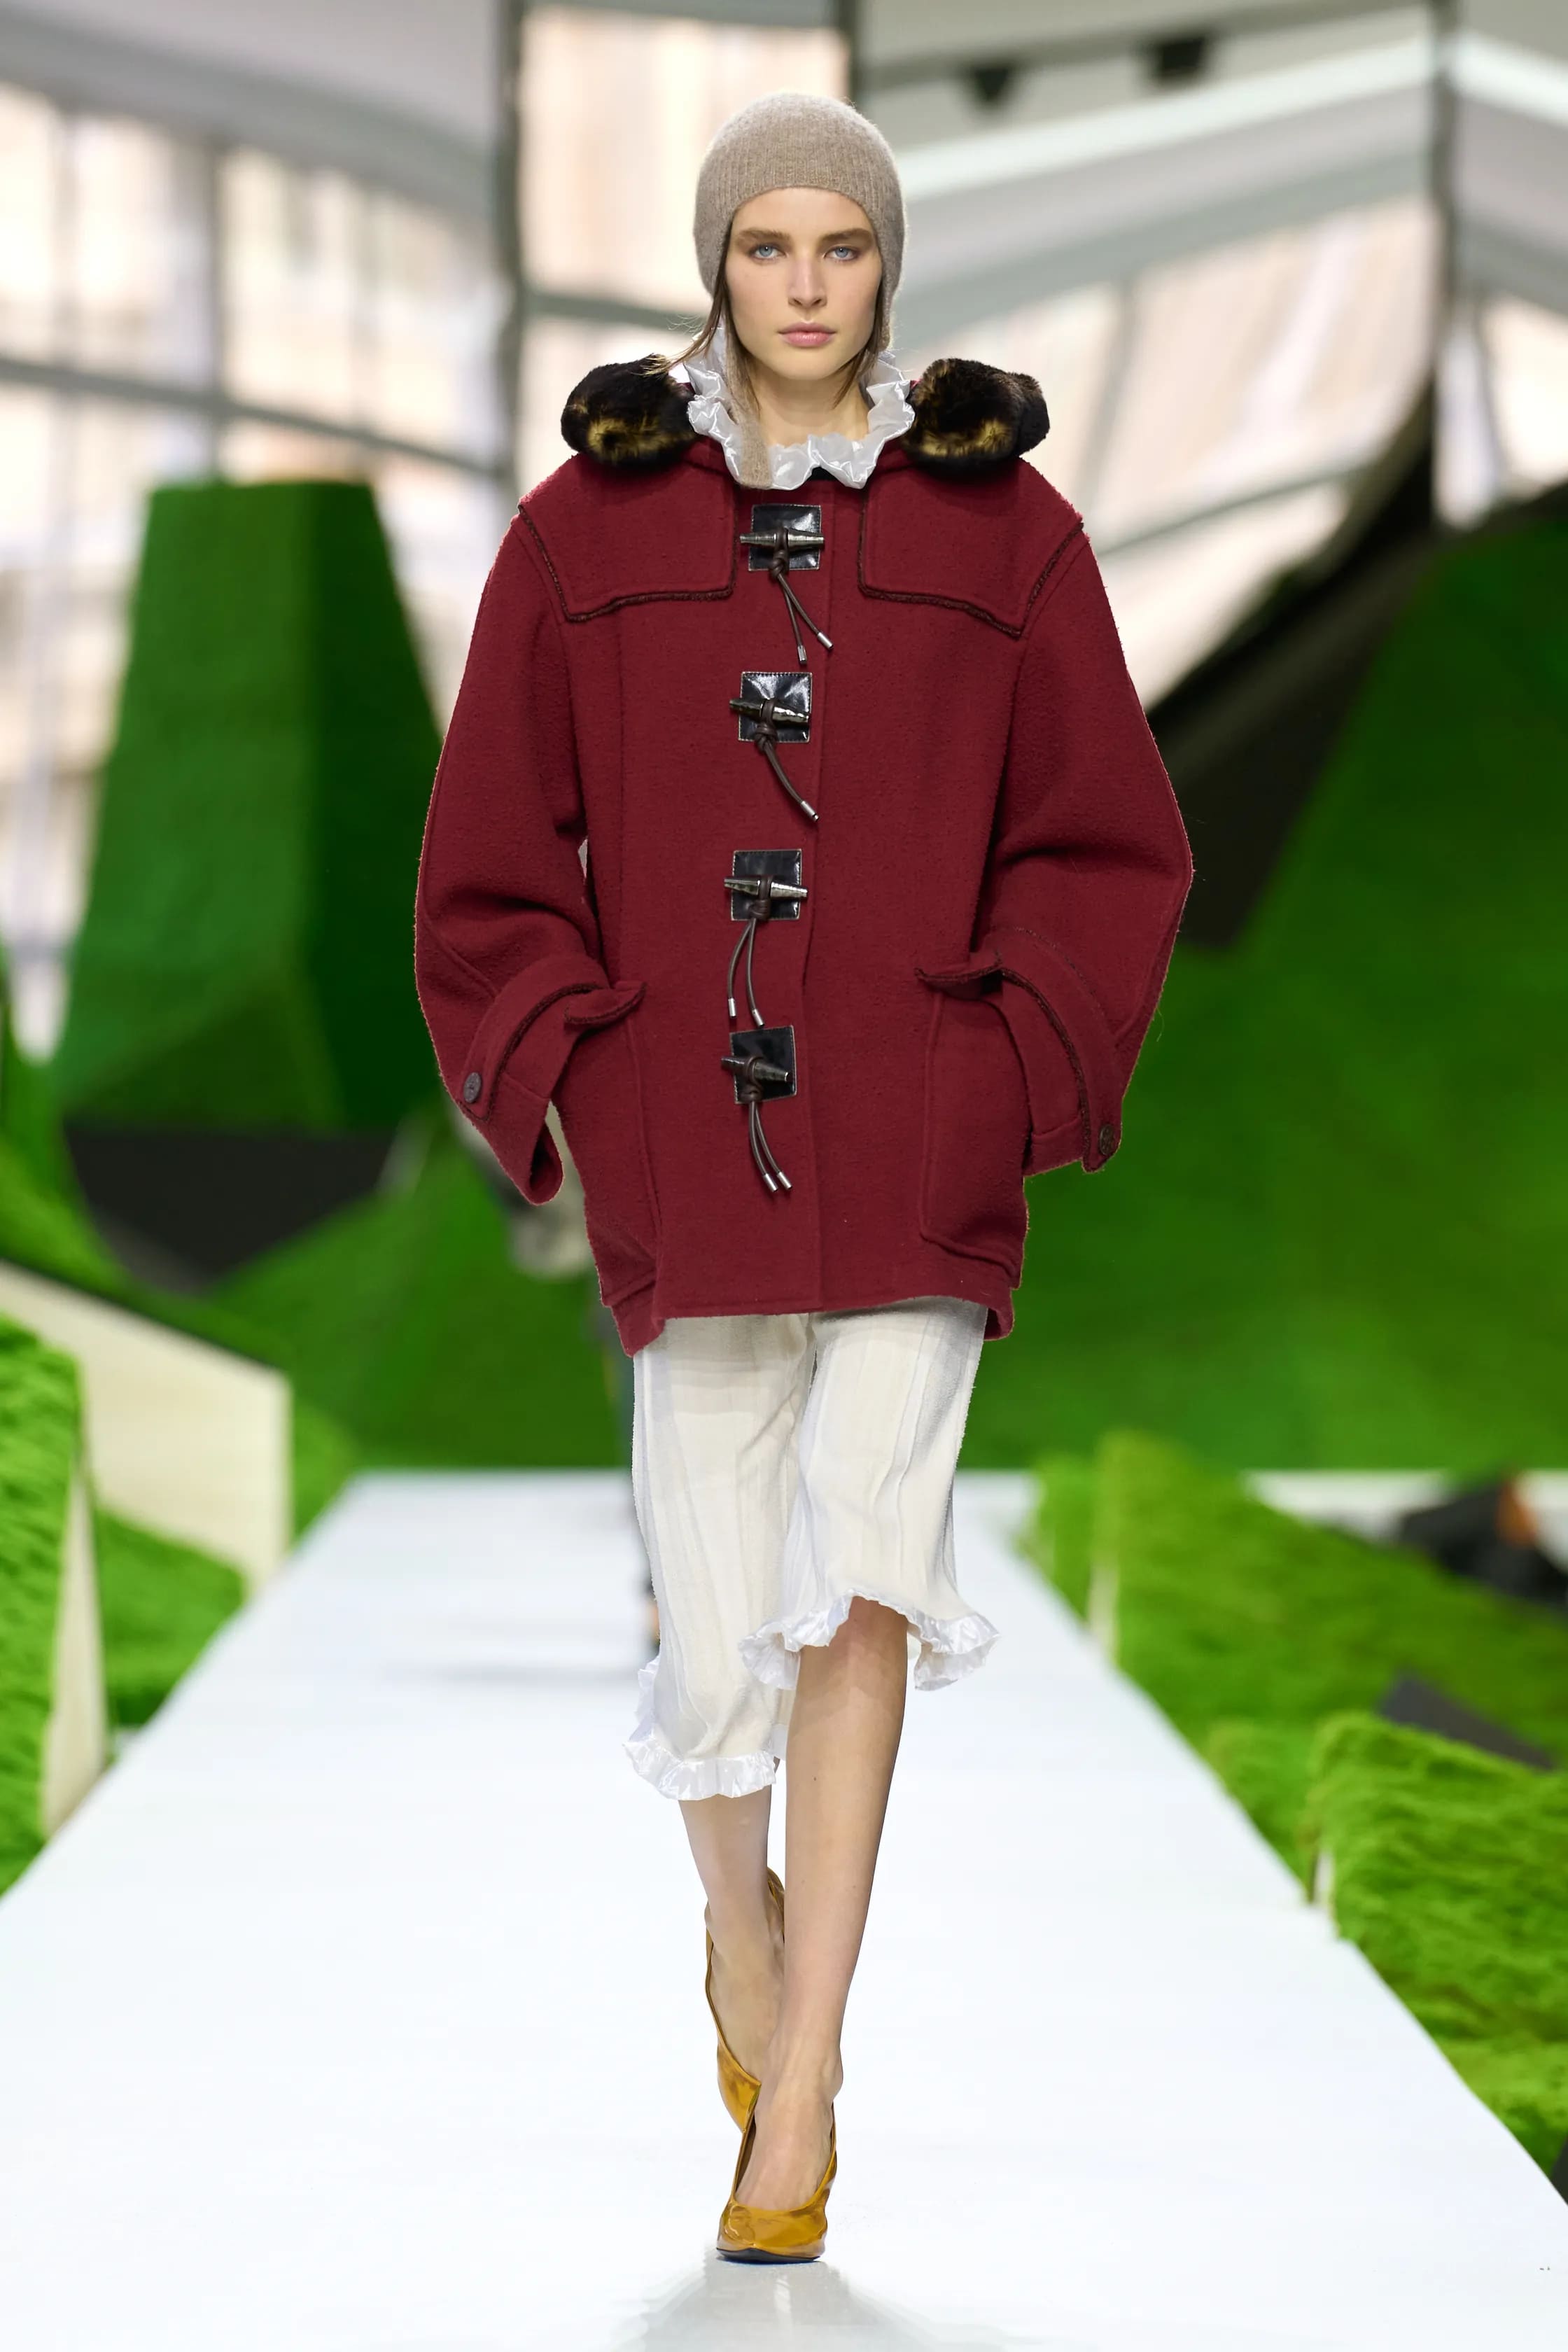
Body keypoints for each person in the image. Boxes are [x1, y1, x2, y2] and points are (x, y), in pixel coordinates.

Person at [414, 92, 1192, 2263]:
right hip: (687, 1146)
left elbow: (1107, 840)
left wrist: (1010, 1058)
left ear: (887, 263)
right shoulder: (585, 531)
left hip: (918, 1145)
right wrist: (577, 1080)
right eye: (767, 244)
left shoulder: (1005, 530)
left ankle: (811, 2073)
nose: (807, 283)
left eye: (842, 244)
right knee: (709, 1611)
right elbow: (489, 855)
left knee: (862, 1580)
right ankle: (740, 1940)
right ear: (716, 265)